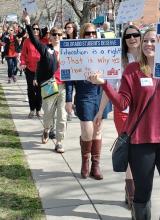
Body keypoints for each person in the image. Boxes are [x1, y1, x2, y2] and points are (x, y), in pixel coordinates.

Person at [88, 28, 160, 220]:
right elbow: (122, 103)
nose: (149, 44)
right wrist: (104, 83)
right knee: (142, 194)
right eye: (147, 41)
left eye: (154, 41)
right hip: (141, 141)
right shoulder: (132, 71)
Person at [65, 23, 112, 180]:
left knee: (97, 130)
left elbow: (113, 72)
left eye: (93, 33)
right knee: (87, 130)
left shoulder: (103, 51)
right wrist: (68, 99)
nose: (91, 36)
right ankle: (85, 161)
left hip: (100, 95)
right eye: (88, 33)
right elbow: (69, 79)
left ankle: (95, 165)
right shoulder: (76, 52)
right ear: (82, 35)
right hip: (84, 95)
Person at [23, 11, 67, 153]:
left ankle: (59, 142)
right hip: (48, 85)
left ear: (63, 36)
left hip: (63, 86)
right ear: (50, 37)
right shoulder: (45, 49)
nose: (57, 37)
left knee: (62, 115)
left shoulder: (68, 50)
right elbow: (34, 40)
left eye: (59, 35)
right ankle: (47, 129)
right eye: (54, 34)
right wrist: (28, 23)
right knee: (48, 114)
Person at [114, 24, 141, 209]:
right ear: (124, 41)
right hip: (123, 114)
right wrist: (100, 112)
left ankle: (134, 188)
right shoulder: (120, 61)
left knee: (141, 154)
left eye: (135, 35)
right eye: (128, 36)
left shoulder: (150, 60)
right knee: (130, 153)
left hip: (144, 115)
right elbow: (110, 86)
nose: (132, 38)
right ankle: (132, 192)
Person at [20, 23, 42, 118]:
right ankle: (32, 109)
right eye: (34, 29)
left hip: (41, 70)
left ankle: (39, 109)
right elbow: (23, 54)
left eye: (37, 29)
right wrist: (23, 62)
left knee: (39, 91)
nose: (35, 30)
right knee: (31, 90)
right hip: (29, 69)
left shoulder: (43, 41)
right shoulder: (27, 41)